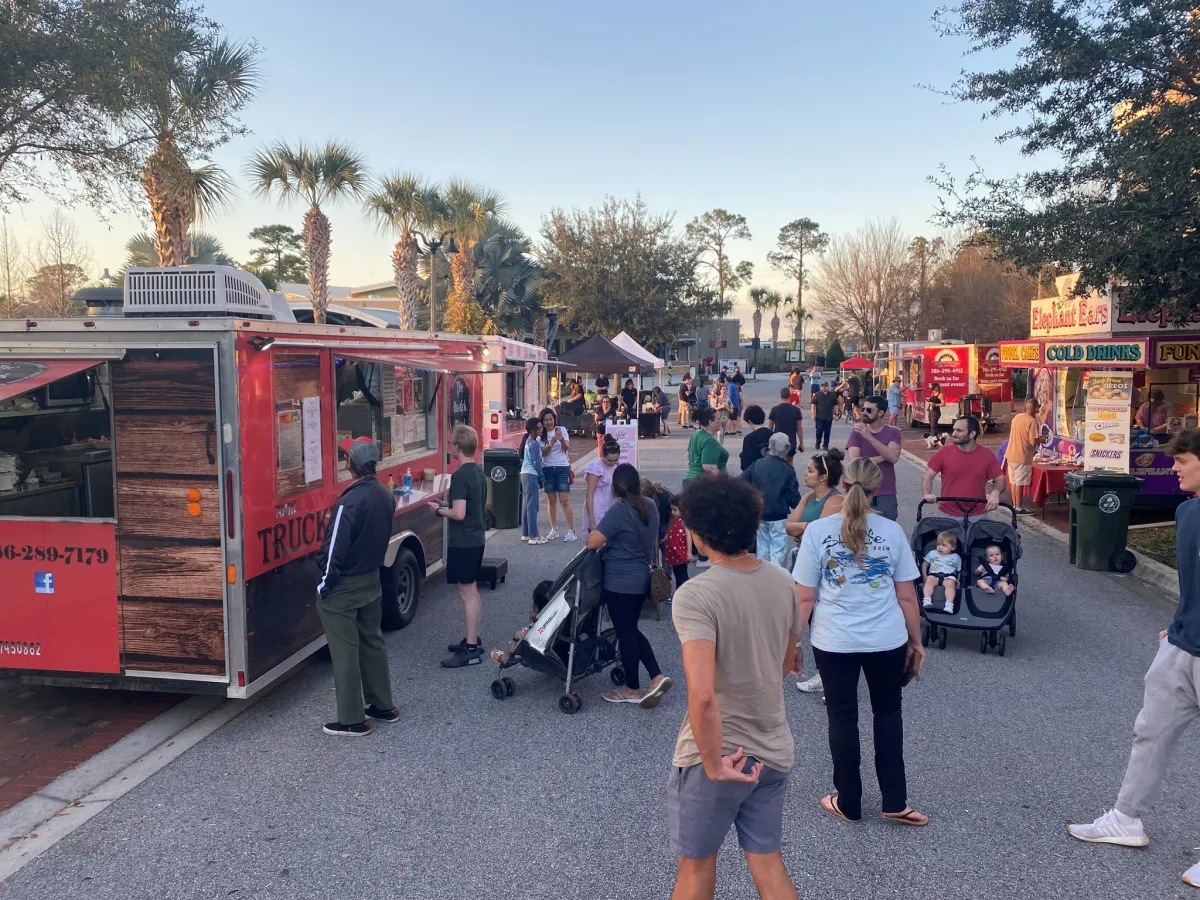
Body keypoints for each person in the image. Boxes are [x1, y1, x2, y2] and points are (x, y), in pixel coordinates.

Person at [1068, 428, 1200, 888]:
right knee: (1150, 733)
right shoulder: (1187, 512)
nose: (1174, 468)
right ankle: (1126, 819)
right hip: (1182, 645)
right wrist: (1179, 619)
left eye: (1183, 460)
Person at [668, 474, 802, 900]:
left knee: (695, 870)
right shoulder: (782, 580)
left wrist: (711, 763)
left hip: (719, 753)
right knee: (768, 864)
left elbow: (702, 694)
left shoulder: (696, 595)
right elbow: (786, 662)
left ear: (700, 532)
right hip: (773, 746)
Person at [792, 456, 927, 827]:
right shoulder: (892, 531)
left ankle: (848, 801)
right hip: (886, 639)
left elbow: (805, 598)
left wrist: (793, 644)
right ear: (876, 489)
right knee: (888, 714)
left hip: (833, 640)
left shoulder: (818, 532)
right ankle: (895, 801)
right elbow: (906, 597)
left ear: (843, 485)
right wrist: (916, 642)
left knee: (842, 717)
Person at [316, 437, 398, 736]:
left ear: (350, 463)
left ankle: (351, 719)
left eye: (345, 456)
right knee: (372, 641)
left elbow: (334, 550)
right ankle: (382, 705)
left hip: (344, 587)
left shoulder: (347, 502)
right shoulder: (384, 495)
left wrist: (324, 586)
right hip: (371, 580)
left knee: (345, 651)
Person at [586, 463, 672, 706]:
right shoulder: (651, 505)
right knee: (631, 630)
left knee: (626, 634)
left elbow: (593, 542)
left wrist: (594, 528)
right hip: (642, 579)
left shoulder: (620, 510)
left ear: (615, 488)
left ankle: (632, 689)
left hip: (619, 582)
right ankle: (656, 676)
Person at [785, 449, 846, 696]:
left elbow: (821, 533)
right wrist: (807, 528)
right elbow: (789, 527)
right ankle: (825, 674)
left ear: (823, 477)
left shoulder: (837, 500)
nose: (805, 473)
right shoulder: (809, 497)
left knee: (826, 616)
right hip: (805, 557)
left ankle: (829, 677)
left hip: (828, 564)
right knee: (811, 616)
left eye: (810, 470)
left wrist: (804, 529)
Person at [430, 425, 489, 668]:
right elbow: (470, 505)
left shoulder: (459, 475)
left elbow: (459, 512)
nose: (450, 446)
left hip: (463, 541)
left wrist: (439, 510)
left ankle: (472, 649)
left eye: (452, 443)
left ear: (457, 447)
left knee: (466, 594)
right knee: (471, 590)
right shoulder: (477, 471)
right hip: (476, 539)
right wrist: (449, 504)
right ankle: (472, 639)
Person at [921, 415, 1006, 521]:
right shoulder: (943, 452)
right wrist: (927, 494)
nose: (954, 434)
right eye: (954, 430)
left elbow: (1001, 479)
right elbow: (928, 476)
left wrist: (996, 492)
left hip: (977, 515)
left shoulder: (987, 455)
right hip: (947, 514)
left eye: (959, 430)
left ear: (972, 434)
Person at [741, 433, 801, 566]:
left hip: (760, 511)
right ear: (786, 449)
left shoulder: (757, 464)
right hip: (778, 513)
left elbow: (742, 480)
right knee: (778, 545)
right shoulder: (788, 470)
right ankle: (776, 571)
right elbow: (793, 498)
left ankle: (763, 569)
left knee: (762, 543)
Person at [847, 395, 902, 521]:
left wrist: (869, 437)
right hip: (861, 492)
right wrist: (883, 457)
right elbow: (855, 462)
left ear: (881, 412)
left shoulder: (893, 432)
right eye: (864, 409)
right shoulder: (857, 432)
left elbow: (893, 458)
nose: (864, 413)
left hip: (886, 493)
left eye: (869, 410)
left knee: (886, 533)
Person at [538, 408, 578, 542]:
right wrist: (550, 444)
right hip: (547, 468)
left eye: (551, 419)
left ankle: (571, 531)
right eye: (546, 420)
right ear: (542, 422)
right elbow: (542, 453)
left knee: (564, 500)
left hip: (562, 467)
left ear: (554, 419)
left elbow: (566, 447)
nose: (549, 422)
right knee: (551, 500)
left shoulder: (561, 429)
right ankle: (553, 529)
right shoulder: (541, 434)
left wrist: (560, 440)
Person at [1006, 397, 1048, 514]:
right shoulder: (1032, 421)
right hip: (1022, 455)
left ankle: (1015, 506)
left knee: (1013, 482)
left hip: (1011, 454)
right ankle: (1019, 508)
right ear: (1035, 408)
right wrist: (1043, 440)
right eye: (1038, 408)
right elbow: (1033, 441)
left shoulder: (1017, 418)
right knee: (1019, 482)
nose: (1038, 410)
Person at [585, 433, 622, 534]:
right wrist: (591, 521)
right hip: (598, 508)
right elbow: (589, 495)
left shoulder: (617, 466)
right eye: (610, 460)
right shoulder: (597, 468)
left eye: (616, 460)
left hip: (612, 506)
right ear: (603, 455)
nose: (613, 463)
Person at [519, 417, 546, 545]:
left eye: (541, 427)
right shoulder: (534, 444)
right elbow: (537, 464)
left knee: (526, 505)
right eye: (539, 428)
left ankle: (526, 533)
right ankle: (534, 536)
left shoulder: (528, 441)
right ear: (532, 430)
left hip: (524, 474)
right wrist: (542, 479)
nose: (541, 429)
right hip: (531, 475)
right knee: (533, 506)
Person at [921, 531, 962, 613]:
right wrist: (924, 575)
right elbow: (924, 564)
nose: (940, 547)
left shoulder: (956, 557)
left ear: (953, 547)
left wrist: (958, 580)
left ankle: (949, 604)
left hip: (949, 576)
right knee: (929, 581)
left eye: (944, 545)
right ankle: (927, 599)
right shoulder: (932, 553)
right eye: (938, 544)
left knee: (951, 585)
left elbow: (959, 570)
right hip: (933, 575)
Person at [685, 407, 729, 481]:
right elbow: (710, 468)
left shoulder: (697, 433)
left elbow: (688, 455)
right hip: (702, 483)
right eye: (718, 419)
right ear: (710, 422)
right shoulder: (710, 441)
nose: (721, 421)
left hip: (690, 478)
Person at [768, 386, 805, 460]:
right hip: (791, 440)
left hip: (777, 440)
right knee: (790, 461)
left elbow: (770, 428)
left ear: (780, 396)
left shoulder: (774, 410)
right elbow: (799, 428)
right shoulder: (796, 410)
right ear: (790, 395)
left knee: (778, 461)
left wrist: (768, 442)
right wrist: (801, 443)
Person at [665, 497, 694, 591]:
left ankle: (687, 591)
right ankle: (679, 590)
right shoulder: (673, 519)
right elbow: (670, 531)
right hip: (673, 551)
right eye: (672, 509)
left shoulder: (684, 521)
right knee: (677, 573)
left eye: (675, 510)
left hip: (680, 551)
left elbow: (688, 536)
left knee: (682, 573)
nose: (673, 512)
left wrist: (689, 552)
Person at [739, 405, 771, 472]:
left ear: (749, 421)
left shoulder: (749, 439)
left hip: (756, 474)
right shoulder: (773, 434)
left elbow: (746, 464)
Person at [810, 381, 838, 452]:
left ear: (828, 387)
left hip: (828, 416)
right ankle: (818, 441)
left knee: (827, 432)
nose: (824, 387)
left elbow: (836, 405)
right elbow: (813, 405)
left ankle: (825, 445)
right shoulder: (817, 395)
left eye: (825, 386)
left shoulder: (832, 395)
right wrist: (813, 414)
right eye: (822, 386)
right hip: (819, 416)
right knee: (819, 430)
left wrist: (836, 415)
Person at [725, 373, 742, 438]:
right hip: (736, 403)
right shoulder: (735, 386)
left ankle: (729, 431)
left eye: (725, 381)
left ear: (727, 381)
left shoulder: (730, 386)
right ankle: (734, 431)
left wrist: (727, 403)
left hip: (731, 404)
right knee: (734, 418)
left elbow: (729, 395)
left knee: (729, 418)